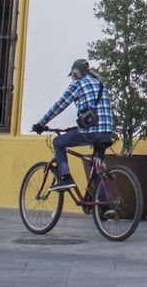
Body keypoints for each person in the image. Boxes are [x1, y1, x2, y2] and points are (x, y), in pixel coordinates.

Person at [31, 58, 113, 192]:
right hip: (107, 132)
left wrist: (41, 124)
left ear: (75, 73)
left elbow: (59, 106)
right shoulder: (100, 84)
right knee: (96, 164)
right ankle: (105, 206)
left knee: (58, 142)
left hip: (90, 132)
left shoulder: (78, 84)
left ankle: (65, 177)